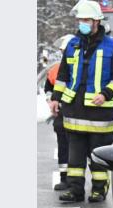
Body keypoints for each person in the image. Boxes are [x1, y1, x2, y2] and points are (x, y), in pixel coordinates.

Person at [48, 0, 113, 203]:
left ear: (97, 21)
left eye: (86, 19)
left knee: (98, 157)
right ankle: (75, 191)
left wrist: (106, 94)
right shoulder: (72, 45)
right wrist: (56, 98)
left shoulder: (112, 47)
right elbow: (63, 76)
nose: (82, 22)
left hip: (100, 114)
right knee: (75, 158)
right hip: (74, 111)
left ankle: (99, 189)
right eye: (80, 19)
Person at [44, 35, 75, 191]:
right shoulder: (55, 69)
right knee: (63, 146)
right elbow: (48, 88)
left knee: (78, 148)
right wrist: (52, 102)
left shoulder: (82, 67)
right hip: (61, 115)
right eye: (64, 51)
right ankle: (65, 178)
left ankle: (77, 181)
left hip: (78, 115)